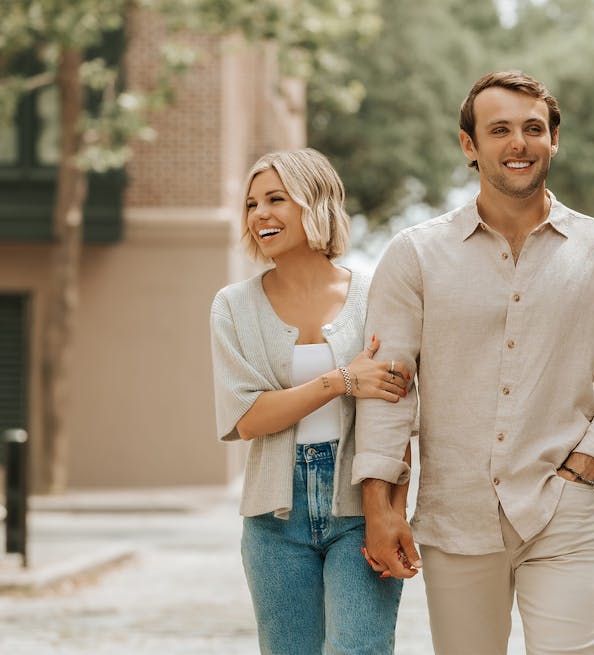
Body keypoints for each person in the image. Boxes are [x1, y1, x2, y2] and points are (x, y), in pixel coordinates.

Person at [353, 71, 594, 654]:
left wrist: (586, 467)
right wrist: (378, 504)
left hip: (564, 511)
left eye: (532, 128)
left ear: (553, 139)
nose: (518, 143)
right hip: (455, 515)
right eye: (499, 130)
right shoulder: (415, 256)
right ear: (470, 145)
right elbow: (388, 388)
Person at [210, 148, 412, 655]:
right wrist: (341, 380)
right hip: (274, 519)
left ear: (316, 203)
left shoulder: (376, 297)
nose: (260, 215)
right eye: (252, 204)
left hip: (359, 508)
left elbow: (396, 413)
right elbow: (248, 417)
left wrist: (393, 510)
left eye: (276, 199)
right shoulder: (233, 306)